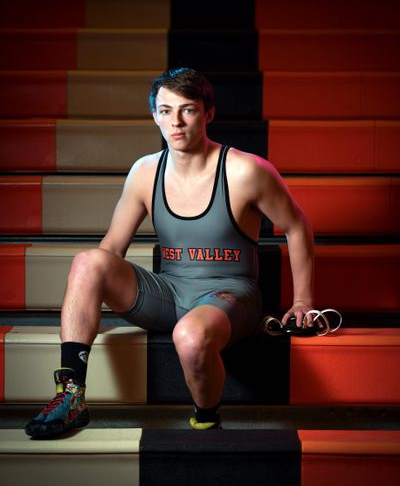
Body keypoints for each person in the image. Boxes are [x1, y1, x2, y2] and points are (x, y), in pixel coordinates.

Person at [25, 68, 314, 438]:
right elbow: (112, 249)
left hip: (229, 294)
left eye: (187, 110)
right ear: (154, 116)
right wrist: (88, 288)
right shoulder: (145, 171)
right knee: (88, 261)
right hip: (168, 293)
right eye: (165, 111)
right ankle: (71, 397)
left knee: (189, 336)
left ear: (208, 113)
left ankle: (206, 418)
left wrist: (303, 300)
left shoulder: (245, 170)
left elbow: (296, 226)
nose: (175, 122)